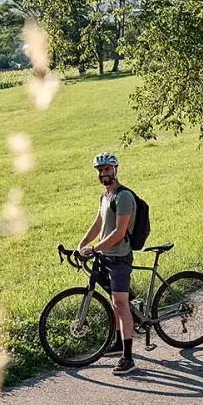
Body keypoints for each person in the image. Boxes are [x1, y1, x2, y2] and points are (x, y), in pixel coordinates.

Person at [78, 152, 138, 375]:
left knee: (121, 304)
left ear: (115, 169)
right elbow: (98, 224)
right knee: (115, 302)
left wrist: (93, 249)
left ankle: (129, 358)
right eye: (100, 170)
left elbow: (119, 233)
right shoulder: (105, 196)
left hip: (120, 257)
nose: (103, 173)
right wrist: (82, 243)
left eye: (107, 169)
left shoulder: (123, 197)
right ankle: (118, 342)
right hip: (105, 256)